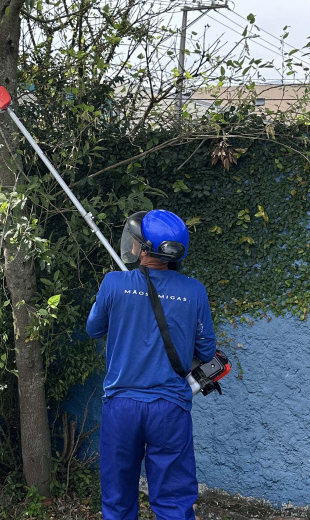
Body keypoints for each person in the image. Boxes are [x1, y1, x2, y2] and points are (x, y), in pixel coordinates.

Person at [86, 209, 218, 520]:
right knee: (173, 504)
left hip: (121, 407)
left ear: (144, 249)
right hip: (170, 409)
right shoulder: (195, 291)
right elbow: (207, 349)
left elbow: (94, 328)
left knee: (118, 502)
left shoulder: (113, 283)